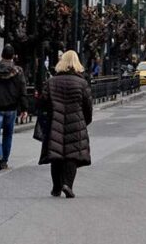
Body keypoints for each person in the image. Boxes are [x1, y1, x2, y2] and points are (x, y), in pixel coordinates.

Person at [38, 50, 93, 198]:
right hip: (76, 122)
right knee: (72, 155)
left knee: (56, 155)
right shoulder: (81, 83)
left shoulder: (51, 82)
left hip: (55, 121)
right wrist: (84, 121)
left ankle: (56, 187)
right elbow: (88, 105)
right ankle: (67, 184)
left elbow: (43, 103)